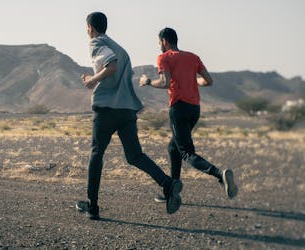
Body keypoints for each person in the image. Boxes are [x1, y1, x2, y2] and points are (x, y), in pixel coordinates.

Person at [76, 12, 182, 220]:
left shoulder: (96, 43)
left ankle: (92, 205)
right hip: (126, 109)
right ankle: (168, 183)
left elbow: (111, 65)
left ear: (90, 28)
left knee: (97, 154)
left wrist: (92, 80)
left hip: (107, 108)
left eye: (86, 28)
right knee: (135, 156)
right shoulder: (121, 48)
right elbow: (119, 67)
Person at [139, 27, 238, 202]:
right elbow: (208, 81)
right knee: (173, 147)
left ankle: (219, 174)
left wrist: (147, 81)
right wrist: (192, 81)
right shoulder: (193, 57)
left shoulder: (164, 57)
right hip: (194, 110)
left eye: (159, 43)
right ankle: (172, 190)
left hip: (179, 109)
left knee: (186, 153)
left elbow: (164, 82)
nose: (159, 46)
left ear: (164, 41)